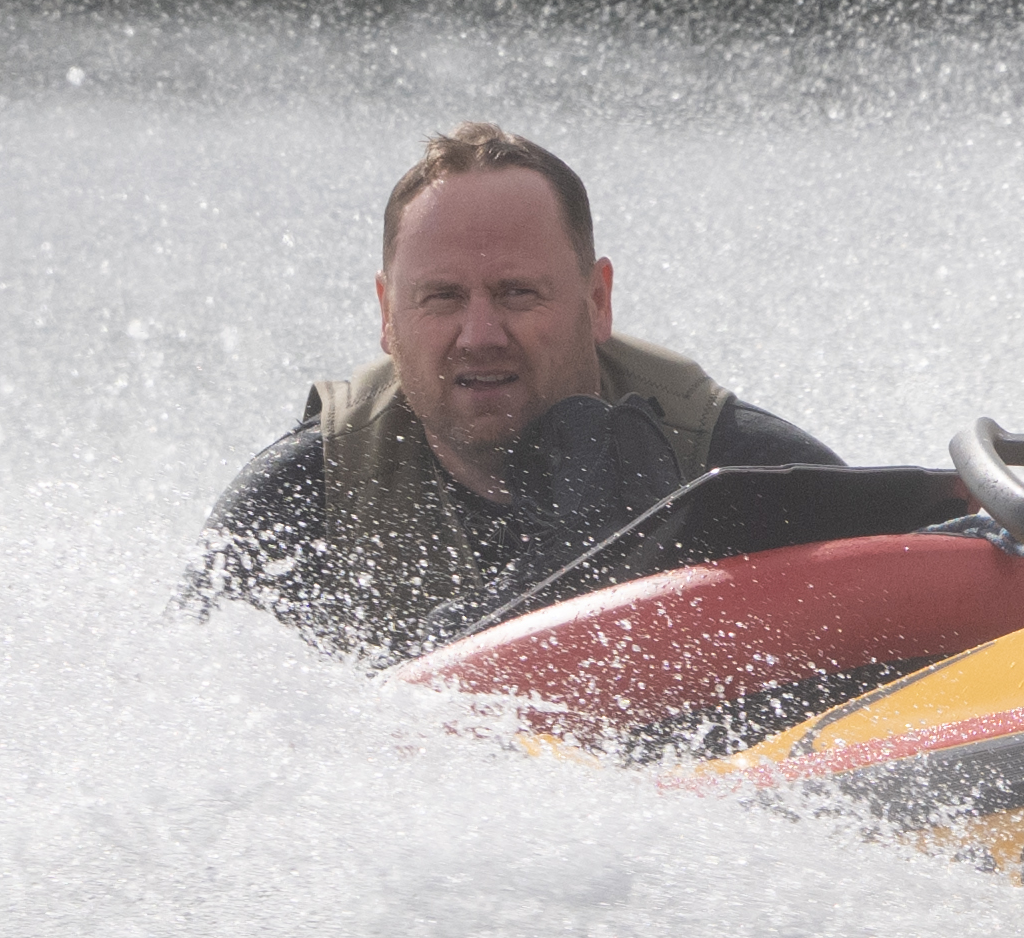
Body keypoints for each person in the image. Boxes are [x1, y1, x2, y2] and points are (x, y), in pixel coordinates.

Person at [195, 124, 852, 662]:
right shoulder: (301, 498)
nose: (480, 335)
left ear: (597, 301)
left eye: (517, 294)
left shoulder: (726, 465)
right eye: (442, 298)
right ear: (387, 317)